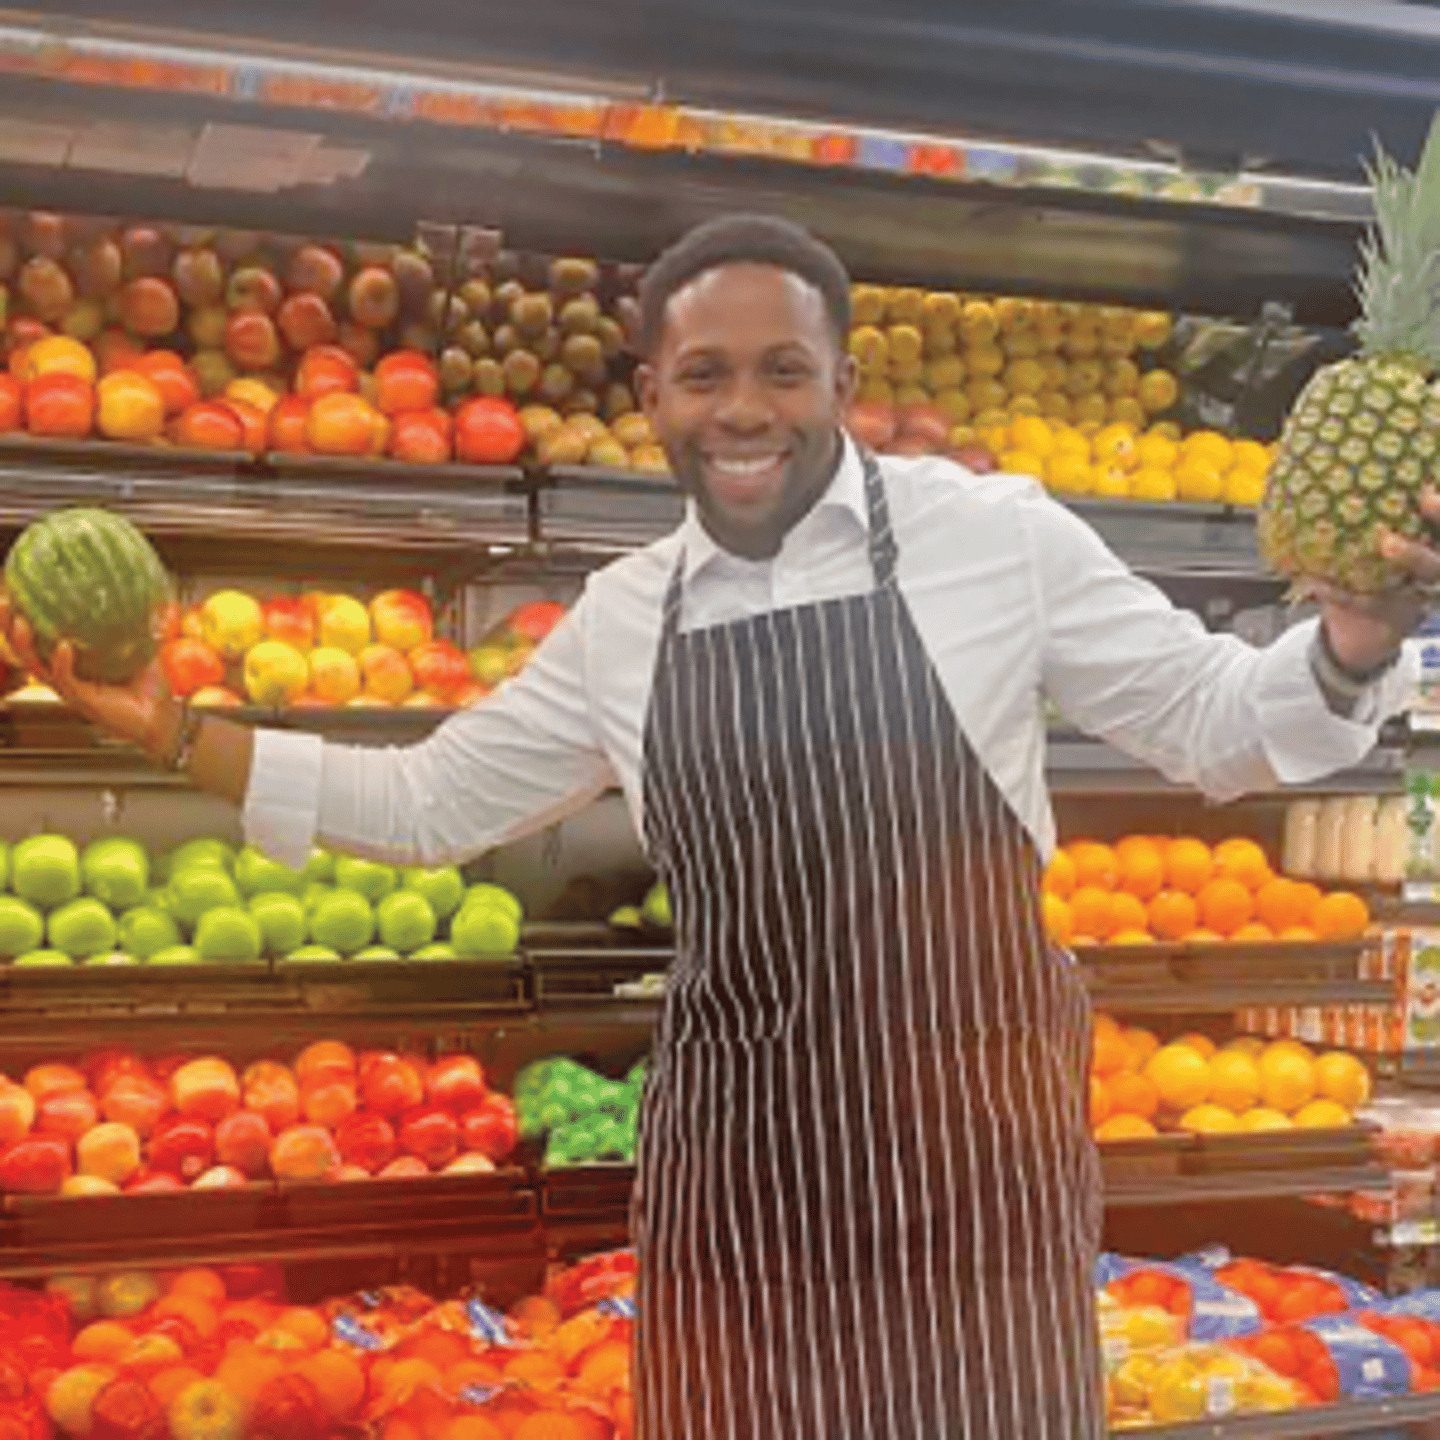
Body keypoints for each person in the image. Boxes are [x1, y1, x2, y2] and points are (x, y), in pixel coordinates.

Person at [2, 214, 1434, 1437]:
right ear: (654, 394)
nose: (743, 409)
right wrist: (177, 735)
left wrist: (1355, 641)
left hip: (974, 1191)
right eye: (704, 375)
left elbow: (1229, 726)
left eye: (781, 371)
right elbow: (432, 801)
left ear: (845, 382)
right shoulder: (629, 618)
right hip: (741, 1189)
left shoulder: (995, 539)